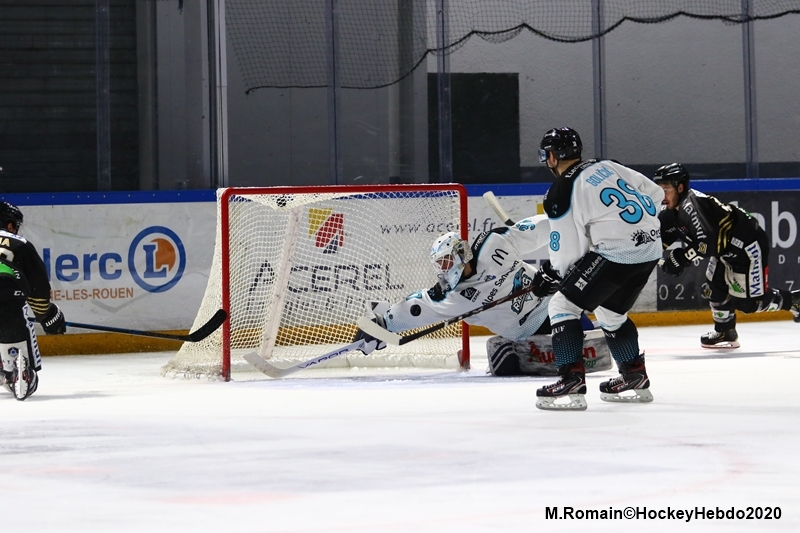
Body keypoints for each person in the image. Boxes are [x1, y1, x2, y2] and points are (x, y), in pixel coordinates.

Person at [355, 218, 611, 377]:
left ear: (459, 254)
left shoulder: (495, 244)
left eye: (446, 261)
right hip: (523, 337)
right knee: (503, 359)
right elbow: (416, 307)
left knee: (584, 333)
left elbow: (545, 227)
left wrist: (577, 227)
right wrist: (382, 325)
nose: (443, 269)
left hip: (552, 309)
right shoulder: (451, 296)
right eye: (439, 264)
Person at [534, 127, 665, 411]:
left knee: (562, 306)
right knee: (611, 312)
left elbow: (568, 250)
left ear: (553, 157)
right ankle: (634, 375)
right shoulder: (607, 165)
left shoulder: (561, 190)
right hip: (651, 247)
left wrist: (555, 274)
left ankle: (571, 379)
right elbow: (654, 194)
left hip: (617, 255)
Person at [654, 163, 800, 348]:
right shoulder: (669, 214)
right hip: (725, 248)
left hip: (748, 244)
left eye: (666, 189)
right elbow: (657, 243)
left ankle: (793, 301)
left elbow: (707, 243)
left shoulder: (692, 205)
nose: (662, 196)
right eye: (658, 190)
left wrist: (681, 258)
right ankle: (725, 331)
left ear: (680, 187)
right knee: (714, 286)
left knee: (749, 304)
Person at [0, 201, 66, 400]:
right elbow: (38, 291)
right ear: (10, 225)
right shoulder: (21, 245)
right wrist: (49, 318)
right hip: (9, 307)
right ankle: (18, 371)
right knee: (19, 314)